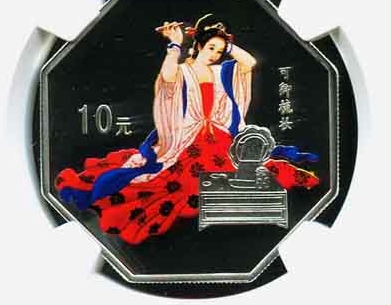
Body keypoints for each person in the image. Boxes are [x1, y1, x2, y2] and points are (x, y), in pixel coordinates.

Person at [55, 15, 258, 244]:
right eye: (211, 47)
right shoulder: (183, 71)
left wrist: (224, 44)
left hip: (217, 135)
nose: (214, 54)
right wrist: (175, 44)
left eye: (219, 51)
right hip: (187, 137)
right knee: (179, 180)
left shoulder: (221, 72)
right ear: (199, 44)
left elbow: (249, 63)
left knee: (240, 170)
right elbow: (167, 77)